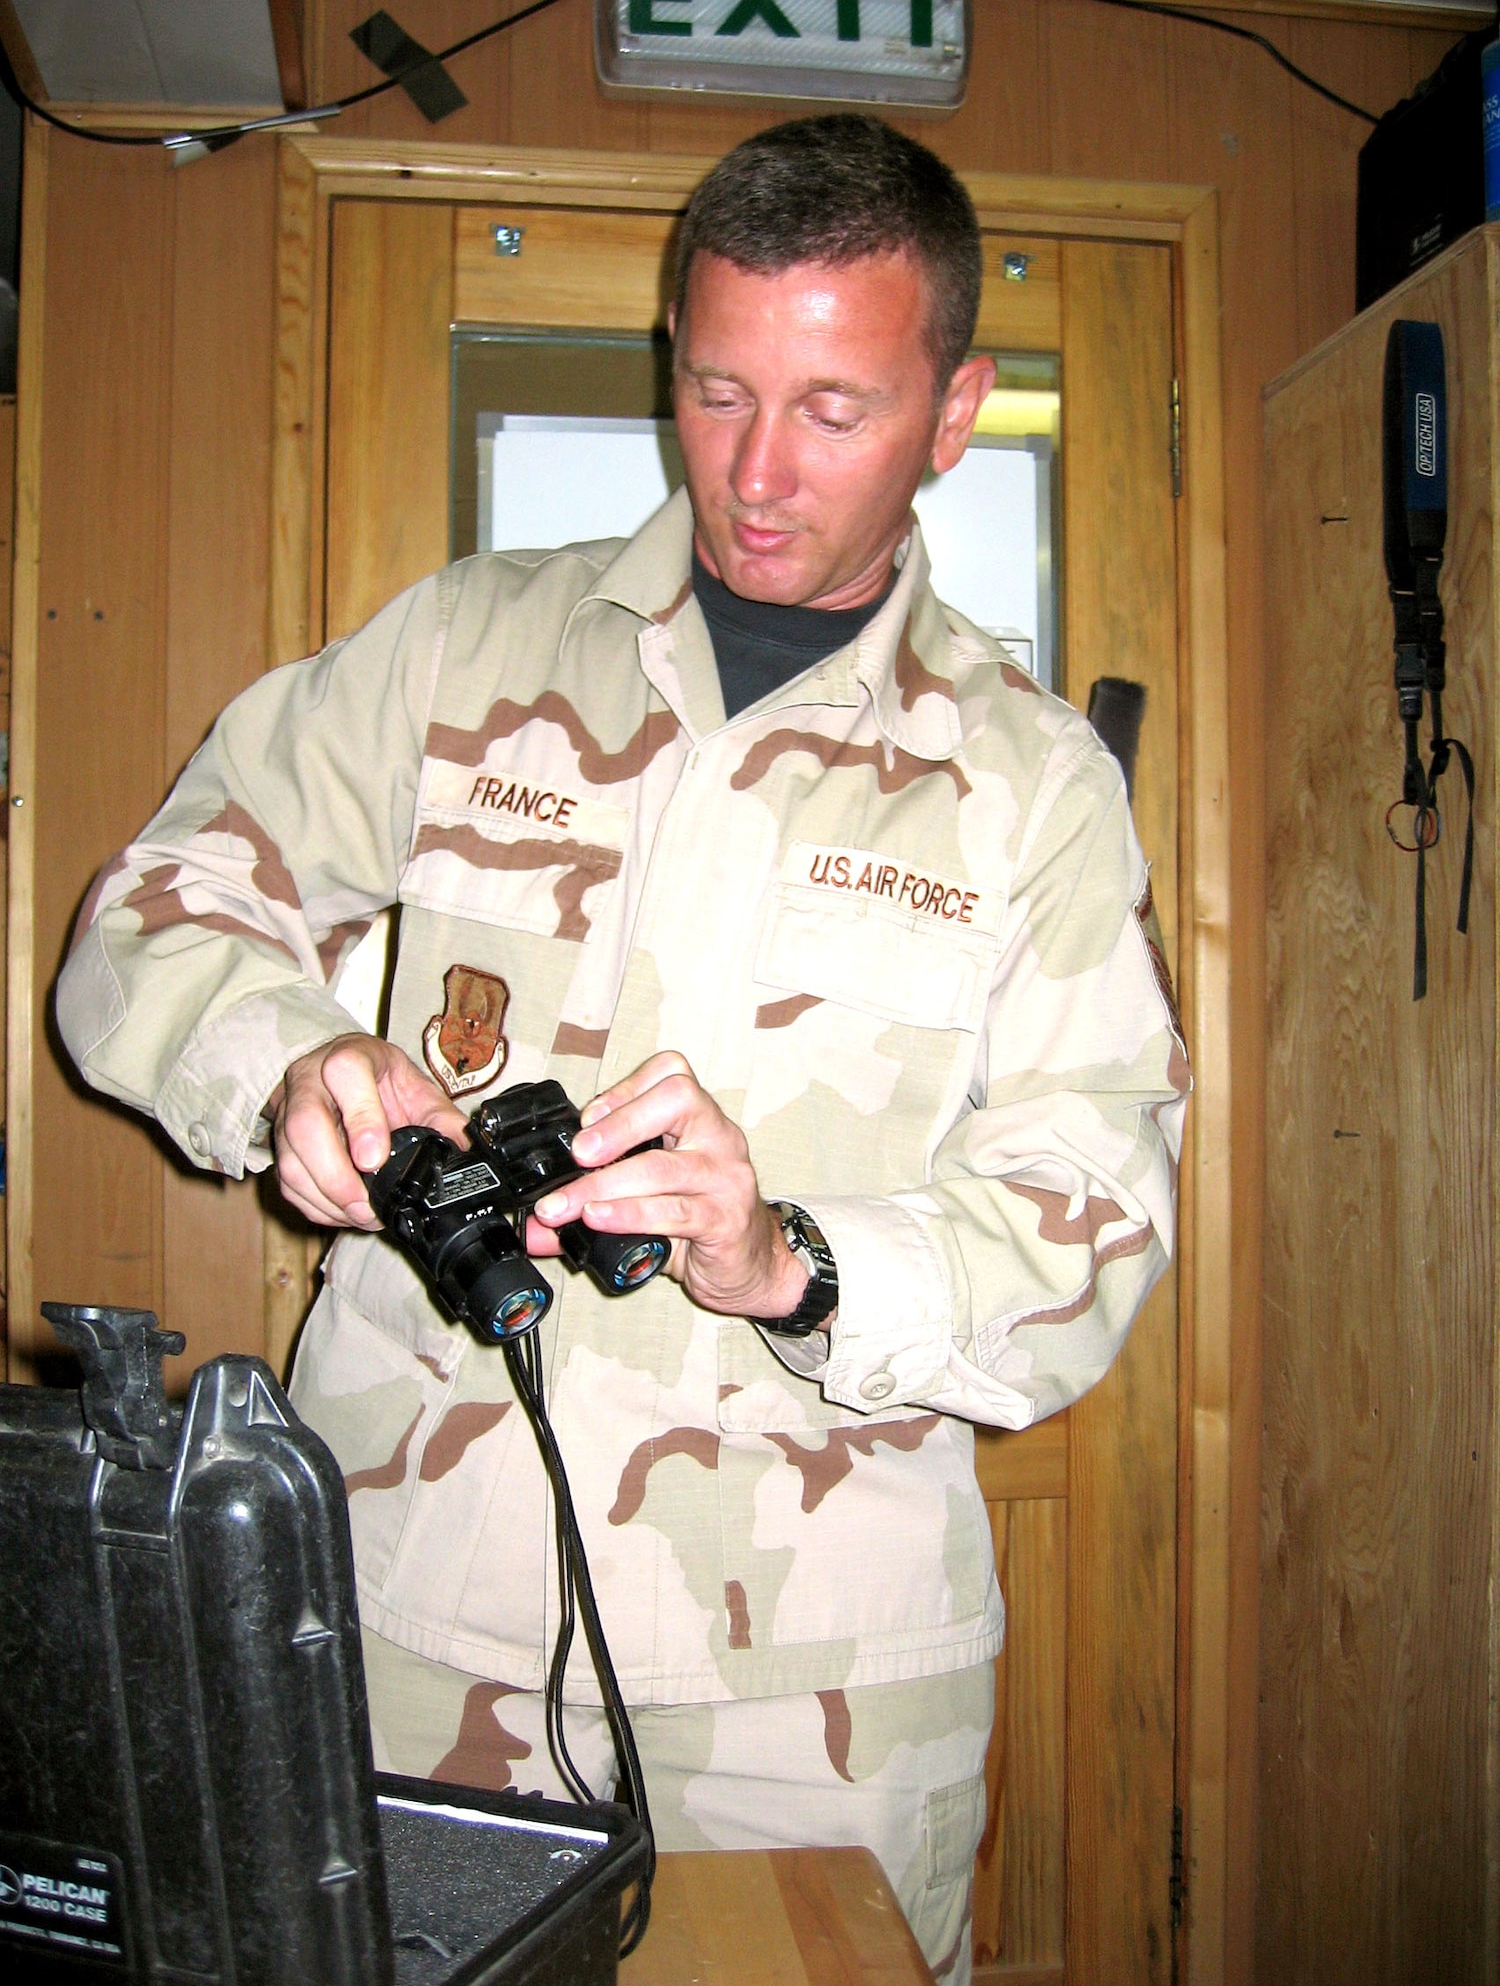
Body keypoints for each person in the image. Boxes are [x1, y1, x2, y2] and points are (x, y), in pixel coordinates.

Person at [57, 115, 1188, 1983]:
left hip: (807, 1698)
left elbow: (1094, 1214)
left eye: (833, 408)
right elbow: (158, 907)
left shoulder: (1032, 788)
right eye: (718, 388)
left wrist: (791, 1257)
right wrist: (288, 1065)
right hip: (399, 1622)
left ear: (954, 404)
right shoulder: (462, 647)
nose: (754, 471)